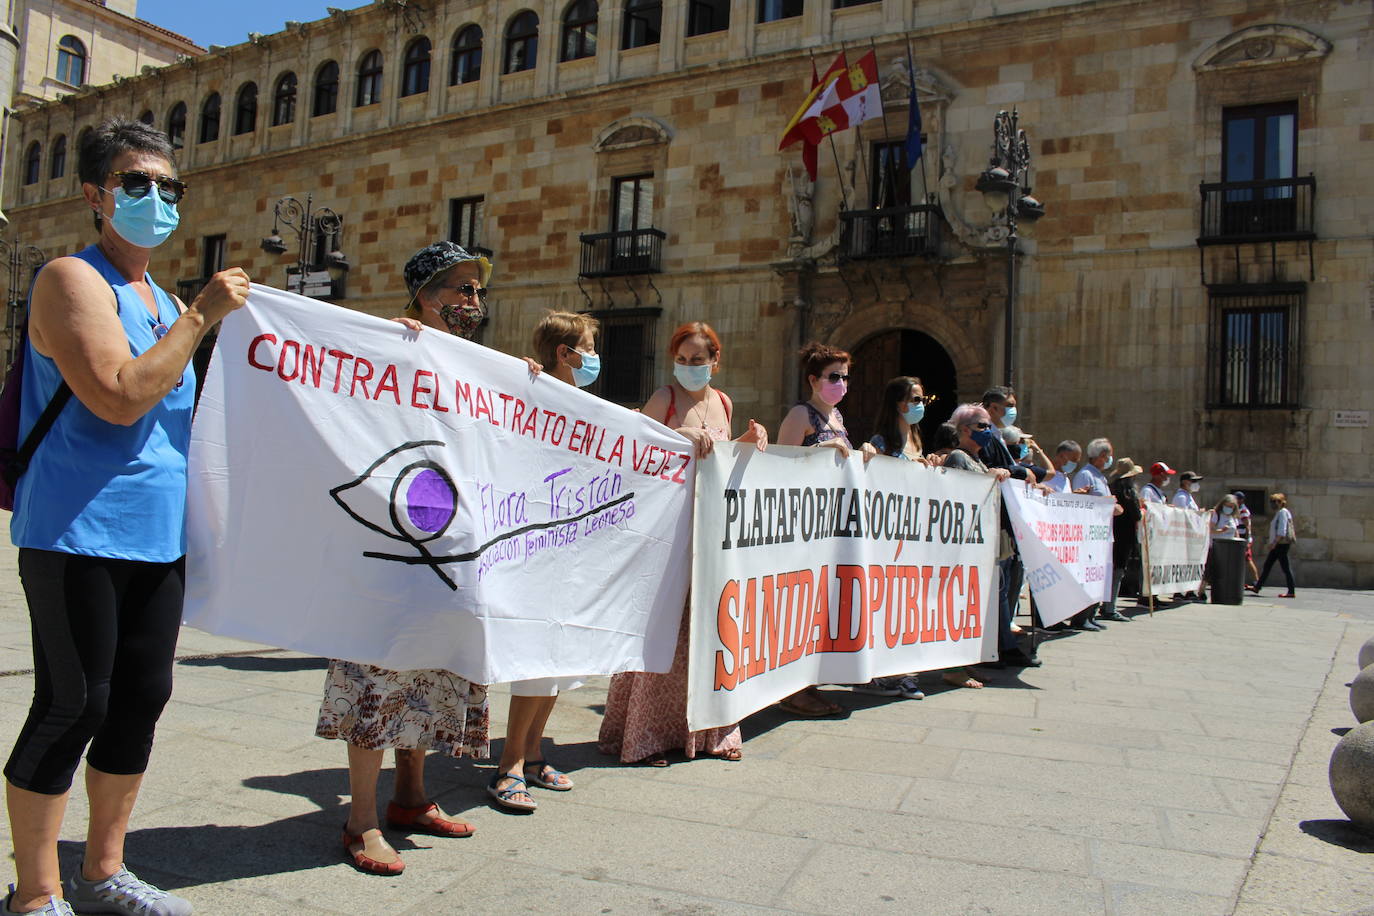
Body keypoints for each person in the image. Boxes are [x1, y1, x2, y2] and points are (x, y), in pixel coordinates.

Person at [4, 119, 249, 916]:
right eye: (136, 183)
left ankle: (104, 871)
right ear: (95, 195)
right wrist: (201, 317)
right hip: (76, 531)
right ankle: (36, 892)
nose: (156, 199)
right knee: (74, 703)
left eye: (168, 187)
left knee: (141, 700)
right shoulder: (70, 280)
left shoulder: (164, 298)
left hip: (156, 537)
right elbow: (116, 395)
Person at [315, 242, 495, 874]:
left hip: (450, 543)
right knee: (376, 675)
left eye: (477, 290)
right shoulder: (392, 343)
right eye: (460, 289)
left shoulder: (474, 361)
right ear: (424, 292)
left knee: (428, 670)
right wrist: (396, 344)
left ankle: (411, 798)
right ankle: (359, 819)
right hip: (388, 546)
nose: (472, 301)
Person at [599, 322, 766, 763]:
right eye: (683, 360)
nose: (690, 367)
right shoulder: (663, 399)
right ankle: (648, 734)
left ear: (715, 360)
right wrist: (677, 439)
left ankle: (711, 732)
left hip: (710, 532)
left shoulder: (724, 402)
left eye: (698, 360)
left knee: (708, 630)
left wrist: (750, 442)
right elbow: (634, 453)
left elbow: (723, 463)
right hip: (666, 533)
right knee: (662, 630)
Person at [775, 342, 856, 715]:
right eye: (833, 377)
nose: (841, 383)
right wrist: (816, 454)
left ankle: (810, 683)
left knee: (820, 610)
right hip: (801, 530)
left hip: (830, 530)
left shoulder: (837, 420)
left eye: (844, 376)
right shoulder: (800, 416)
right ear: (813, 379)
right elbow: (778, 468)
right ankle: (793, 689)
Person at [853, 376, 934, 699]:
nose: (919, 405)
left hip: (911, 534)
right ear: (897, 404)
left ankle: (900, 670)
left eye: (921, 399)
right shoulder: (881, 441)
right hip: (887, 537)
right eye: (914, 398)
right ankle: (879, 674)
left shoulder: (915, 438)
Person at [1072, 439, 1126, 627]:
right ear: (1101, 456)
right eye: (1108, 455)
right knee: (1087, 576)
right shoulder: (1086, 475)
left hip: (1101, 534)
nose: (1110, 458)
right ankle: (1081, 617)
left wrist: (1113, 505)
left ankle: (1090, 615)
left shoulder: (1100, 477)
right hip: (1089, 535)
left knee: (1098, 575)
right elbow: (1081, 502)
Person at [1106, 458, 1145, 619]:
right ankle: (1110, 608)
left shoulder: (1111, 488)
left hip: (1112, 533)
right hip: (1124, 536)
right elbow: (1136, 514)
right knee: (1118, 571)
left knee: (1112, 571)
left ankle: (1106, 605)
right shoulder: (1129, 493)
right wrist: (1142, 511)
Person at [1249, 493, 1296, 598]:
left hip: (1280, 544)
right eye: (1272, 501)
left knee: (1285, 567)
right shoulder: (1279, 513)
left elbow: (1282, 530)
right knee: (1268, 565)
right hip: (1278, 544)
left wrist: (1274, 543)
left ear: (1282, 502)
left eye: (1277, 501)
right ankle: (1258, 586)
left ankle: (1291, 591)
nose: (1274, 503)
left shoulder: (1283, 513)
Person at [1234, 492, 1260, 587]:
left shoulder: (1243, 511)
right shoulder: (1238, 510)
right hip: (1240, 538)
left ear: (1241, 500)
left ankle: (1256, 580)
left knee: (1248, 559)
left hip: (1243, 539)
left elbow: (1247, 526)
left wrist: (1247, 539)